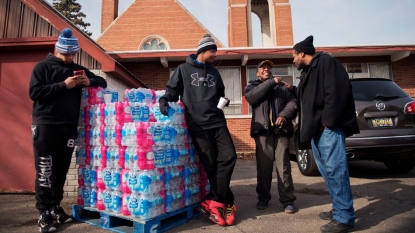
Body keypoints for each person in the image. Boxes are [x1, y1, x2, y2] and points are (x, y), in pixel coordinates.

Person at [29, 28, 107, 233]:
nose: (69, 58)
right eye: (66, 54)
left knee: (61, 169)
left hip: (69, 126)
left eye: (73, 54)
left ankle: (55, 207)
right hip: (45, 123)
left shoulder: (78, 69)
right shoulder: (42, 67)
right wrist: (63, 85)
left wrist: (90, 81)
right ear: (58, 50)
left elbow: (104, 82)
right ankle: (43, 213)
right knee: (45, 169)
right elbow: (34, 92)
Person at [158, 34, 237, 226]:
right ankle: (226, 200)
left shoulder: (214, 72)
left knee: (229, 157)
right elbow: (172, 90)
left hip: (217, 121)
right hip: (197, 124)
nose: (214, 55)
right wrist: (164, 100)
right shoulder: (183, 70)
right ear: (202, 51)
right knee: (210, 164)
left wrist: (222, 103)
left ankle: (214, 200)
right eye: (212, 52)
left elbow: (220, 93)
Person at [289, 35, 359, 233]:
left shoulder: (327, 62)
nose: (293, 60)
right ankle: (339, 209)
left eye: (294, 56)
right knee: (328, 173)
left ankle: (344, 217)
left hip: (328, 129)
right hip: (316, 131)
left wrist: (328, 121)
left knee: (336, 171)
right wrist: (291, 89)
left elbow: (338, 92)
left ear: (302, 53)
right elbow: (309, 98)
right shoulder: (309, 72)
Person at [244, 60, 298, 213]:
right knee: (264, 168)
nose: (266, 69)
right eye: (263, 68)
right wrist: (271, 83)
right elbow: (252, 98)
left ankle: (288, 200)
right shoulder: (252, 86)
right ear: (257, 72)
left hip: (281, 132)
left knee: (284, 167)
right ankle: (263, 197)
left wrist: (284, 115)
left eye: (269, 68)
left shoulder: (282, 87)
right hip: (263, 133)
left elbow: (293, 103)